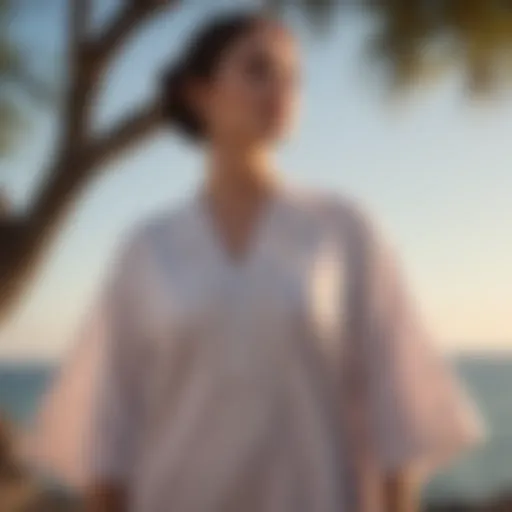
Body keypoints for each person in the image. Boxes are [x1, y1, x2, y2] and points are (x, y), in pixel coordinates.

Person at [28, 11, 484, 512]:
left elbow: (400, 412)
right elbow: (107, 432)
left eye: (295, 77)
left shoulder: (343, 230)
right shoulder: (147, 248)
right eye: (258, 69)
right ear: (200, 92)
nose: (282, 88)